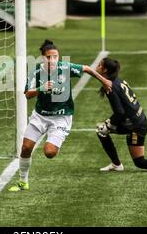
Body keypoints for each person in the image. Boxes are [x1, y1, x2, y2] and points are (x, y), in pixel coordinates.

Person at [8, 40, 112, 191]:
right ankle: (23, 181)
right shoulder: (35, 72)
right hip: (40, 116)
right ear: (43, 57)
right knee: (25, 148)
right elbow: (27, 95)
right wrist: (41, 88)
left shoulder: (65, 67)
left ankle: (56, 139)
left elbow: (87, 68)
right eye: (49, 57)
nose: (52, 60)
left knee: (49, 153)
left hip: (61, 117)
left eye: (55, 56)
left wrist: (104, 81)